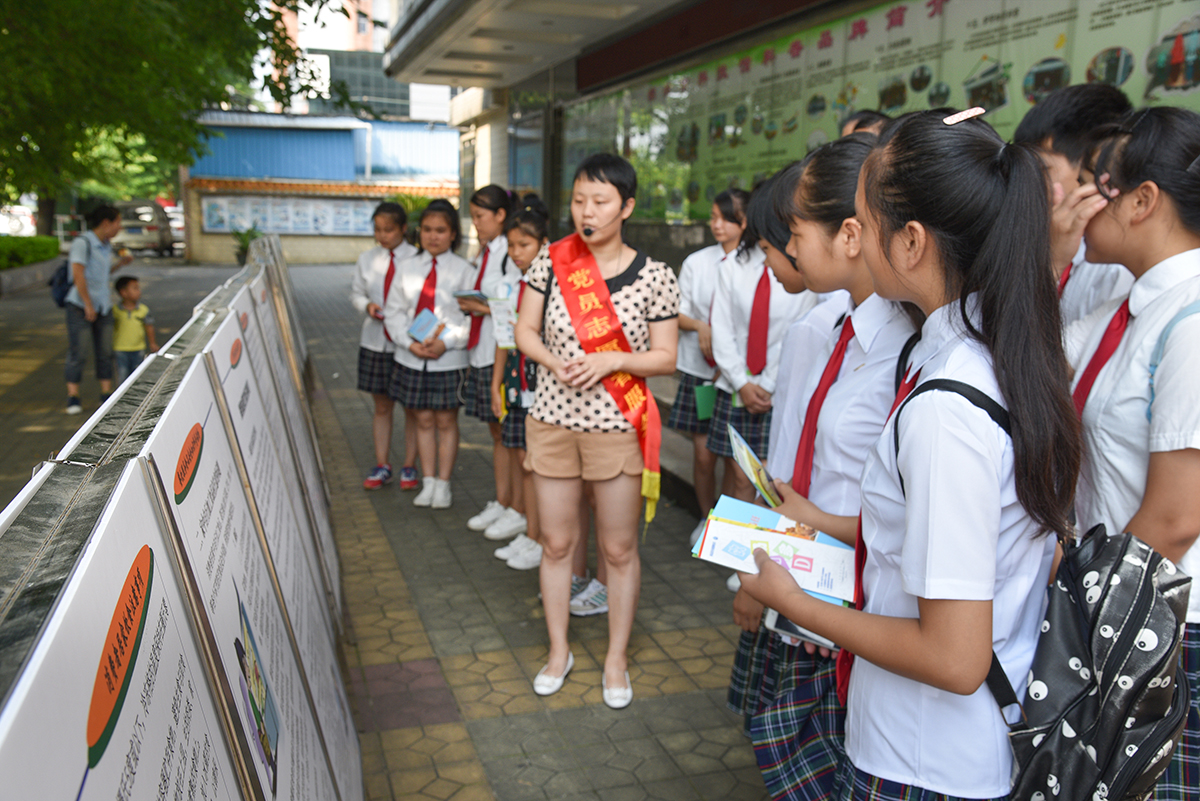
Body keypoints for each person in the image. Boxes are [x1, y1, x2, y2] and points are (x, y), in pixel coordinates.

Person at [740, 109, 1080, 798]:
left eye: (866, 225)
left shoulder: (946, 407)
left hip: (926, 758)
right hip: (949, 742)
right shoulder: (993, 356)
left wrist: (796, 603)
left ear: (913, 242)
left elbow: (953, 657)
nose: (857, 243)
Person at [730, 137, 921, 800]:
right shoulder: (827, 325)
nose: (788, 248)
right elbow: (791, 460)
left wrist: (826, 596)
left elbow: (903, 513)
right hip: (801, 579)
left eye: (794, 232)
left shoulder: (911, 348)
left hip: (847, 604)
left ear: (850, 233)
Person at [514, 152, 679, 709]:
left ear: (626, 207)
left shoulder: (655, 276)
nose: (587, 212)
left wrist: (612, 360)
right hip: (552, 422)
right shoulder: (550, 260)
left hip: (616, 428)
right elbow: (525, 330)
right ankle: (558, 650)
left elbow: (665, 358)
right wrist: (552, 361)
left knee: (618, 548)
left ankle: (616, 658)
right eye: (579, 200)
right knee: (557, 543)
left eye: (600, 201)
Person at [1069, 106, 1200, 801]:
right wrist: (1049, 245)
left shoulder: (1192, 321)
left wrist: (1085, 623)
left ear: (1142, 199)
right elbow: (1028, 358)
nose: (1079, 202)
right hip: (1120, 612)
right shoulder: (1128, 310)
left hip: (1161, 629)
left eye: (1094, 186)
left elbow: (1177, 517)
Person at [710, 177, 819, 594]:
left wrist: (769, 384)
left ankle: (764, 556)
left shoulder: (800, 269)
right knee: (739, 475)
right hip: (737, 384)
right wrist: (741, 381)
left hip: (777, 388)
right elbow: (721, 328)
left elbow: (800, 331)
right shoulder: (733, 266)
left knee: (771, 479)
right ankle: (739, 552)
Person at [1012, 83, 1133, 325]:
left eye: (1043, 169)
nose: (1031, 184)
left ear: (1096, 162)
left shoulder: (1115, 266)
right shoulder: (1041, 239)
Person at [669, 188, 750, 545]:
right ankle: (706, 517)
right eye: (714, 217)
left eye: (726, 218)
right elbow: (677, 311)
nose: (717, 224)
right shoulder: (697, 262)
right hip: (700, 374)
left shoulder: (756, 264)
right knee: (703, 456)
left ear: (744, 221)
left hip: (735, 378)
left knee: (734, 458)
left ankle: (728, 525)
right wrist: (702, 327)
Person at [383, 199, 474, 508]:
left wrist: (445, 342)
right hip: (410, 356)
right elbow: (394, 312)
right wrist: (409, 343)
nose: (433, 236)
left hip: (448, 358)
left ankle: (444, 485)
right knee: (422, 419)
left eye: (441, 230)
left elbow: (470, 317)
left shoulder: (465, 271)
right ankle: (429, 481)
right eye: (427, 229)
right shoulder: (407, 268)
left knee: (446, 420)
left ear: (453, 234)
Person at [461, 185, 527, 538]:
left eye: (480, 216)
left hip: (503, 352)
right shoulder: (488, 251)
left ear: (501, 215)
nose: (475, 224)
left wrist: (482, 307)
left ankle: (518, 507)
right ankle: (504, 501)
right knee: (497, 433)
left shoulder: (509, 253)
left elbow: (514, 307)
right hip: (486, 350)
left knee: (509, 435)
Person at [489, 195, 551, 570]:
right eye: (511, 245)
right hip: (516, 386)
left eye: (524, 245)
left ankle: (542, 539)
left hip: (544, 389)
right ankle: (531, 533)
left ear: (544, 243)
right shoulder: (509, 286)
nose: (516, 253)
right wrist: (496, 384)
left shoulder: (554, 287)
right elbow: (503, 339)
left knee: (535, 465)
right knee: (520, 459)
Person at [351, 202, 418, 490]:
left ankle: (410, 466)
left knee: (412, 408)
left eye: (389, 230)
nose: (382, 235)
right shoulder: (367, 259)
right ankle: (382, 465)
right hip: (375, 342)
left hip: (407, 344)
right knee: (381, 406)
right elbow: (356, 293)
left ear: (403, 228)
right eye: (378, 229)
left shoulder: (417, 258)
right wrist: (367, 306)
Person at [64, 204, 134, 413]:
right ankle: (73, 397)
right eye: (117, 222)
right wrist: (88, 304)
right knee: (79, 352)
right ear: (106, 223)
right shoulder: (83, 243)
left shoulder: (106, 245)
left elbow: (101, 274)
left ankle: (106, 394)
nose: (119, 227)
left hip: (103, 306)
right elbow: (78, 275)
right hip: (80, 306)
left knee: (105, 351)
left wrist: (120, 264)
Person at [112, 276, 158, 385]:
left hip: (138, 348)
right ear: (123, 292)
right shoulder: (115, 311)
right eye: (135, 288)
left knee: (138, 376)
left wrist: (152, 343)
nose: (139, 291)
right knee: (122, 376)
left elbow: (149, 326)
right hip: (120, 349)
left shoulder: (143, 310)